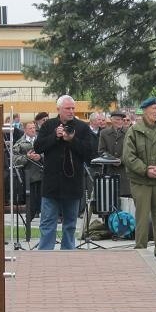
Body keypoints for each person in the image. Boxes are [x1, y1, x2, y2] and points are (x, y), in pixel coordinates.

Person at [33, 95, 95, 250]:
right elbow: (39, 146)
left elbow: (89, 153)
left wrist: (72, 140)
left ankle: (68, 253)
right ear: (58, 109)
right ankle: (45, 254)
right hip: (51, 183)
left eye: (73, 108)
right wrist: (55, 136)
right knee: (48, 222)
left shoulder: (82, 127)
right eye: (68, 108)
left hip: (72, 184)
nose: (71, 111)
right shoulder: (49, 126)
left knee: (70, 224)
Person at [122, 97, 156, 260]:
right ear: (145, 110)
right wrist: (145, 170)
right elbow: (128, 156)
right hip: (141, 181)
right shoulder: (134, 131)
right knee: (142, 215)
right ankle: (141, 249)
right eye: (153, 108)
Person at [12, 121, 43, 241]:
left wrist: (40, 156)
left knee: (45, 205)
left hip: (43, 175)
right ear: (24, 130)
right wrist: (27, 157)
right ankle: (28, 231)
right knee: (32, 205)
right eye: (30, 128)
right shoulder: (19, 144)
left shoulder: (41, 141)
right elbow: (14, 160)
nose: (33, 130)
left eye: (34, 128)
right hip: (29, 177)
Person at [98, 110, 131, 212]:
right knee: (109, 201)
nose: (120, 121)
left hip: (125, 173)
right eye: (117, 119)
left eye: (122, 119)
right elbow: (101, 151)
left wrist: (121, 160)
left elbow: (132, 151)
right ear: (111, 120)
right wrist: (111, 160)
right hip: (110, 172)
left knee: (126, 202)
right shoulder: (104, 133)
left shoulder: (129, 132)